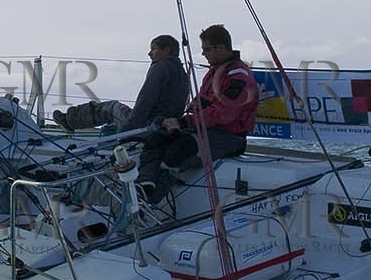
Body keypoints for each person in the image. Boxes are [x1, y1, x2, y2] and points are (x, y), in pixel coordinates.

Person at [141, 24, 259, 201]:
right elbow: (200, 102)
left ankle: (153, 201)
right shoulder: (213, 73)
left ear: (221, 48)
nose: (203, 54)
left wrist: (185, 123)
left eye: (207, 49)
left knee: (179, 150)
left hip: (229, 137)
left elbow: (224, 113)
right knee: (156, 139)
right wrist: (178, 120)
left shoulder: (238, 75)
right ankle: (144, 186)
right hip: (206, 130)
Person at [53, 35, 187, 134]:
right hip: (166, 123)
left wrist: (128, 130)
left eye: (154, 49)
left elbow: (146, 99)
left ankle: (69, 120)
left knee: (111, 107)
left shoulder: (160, 68)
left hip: (149, 124)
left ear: (167, 50)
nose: (149, 53)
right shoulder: (182, 73)